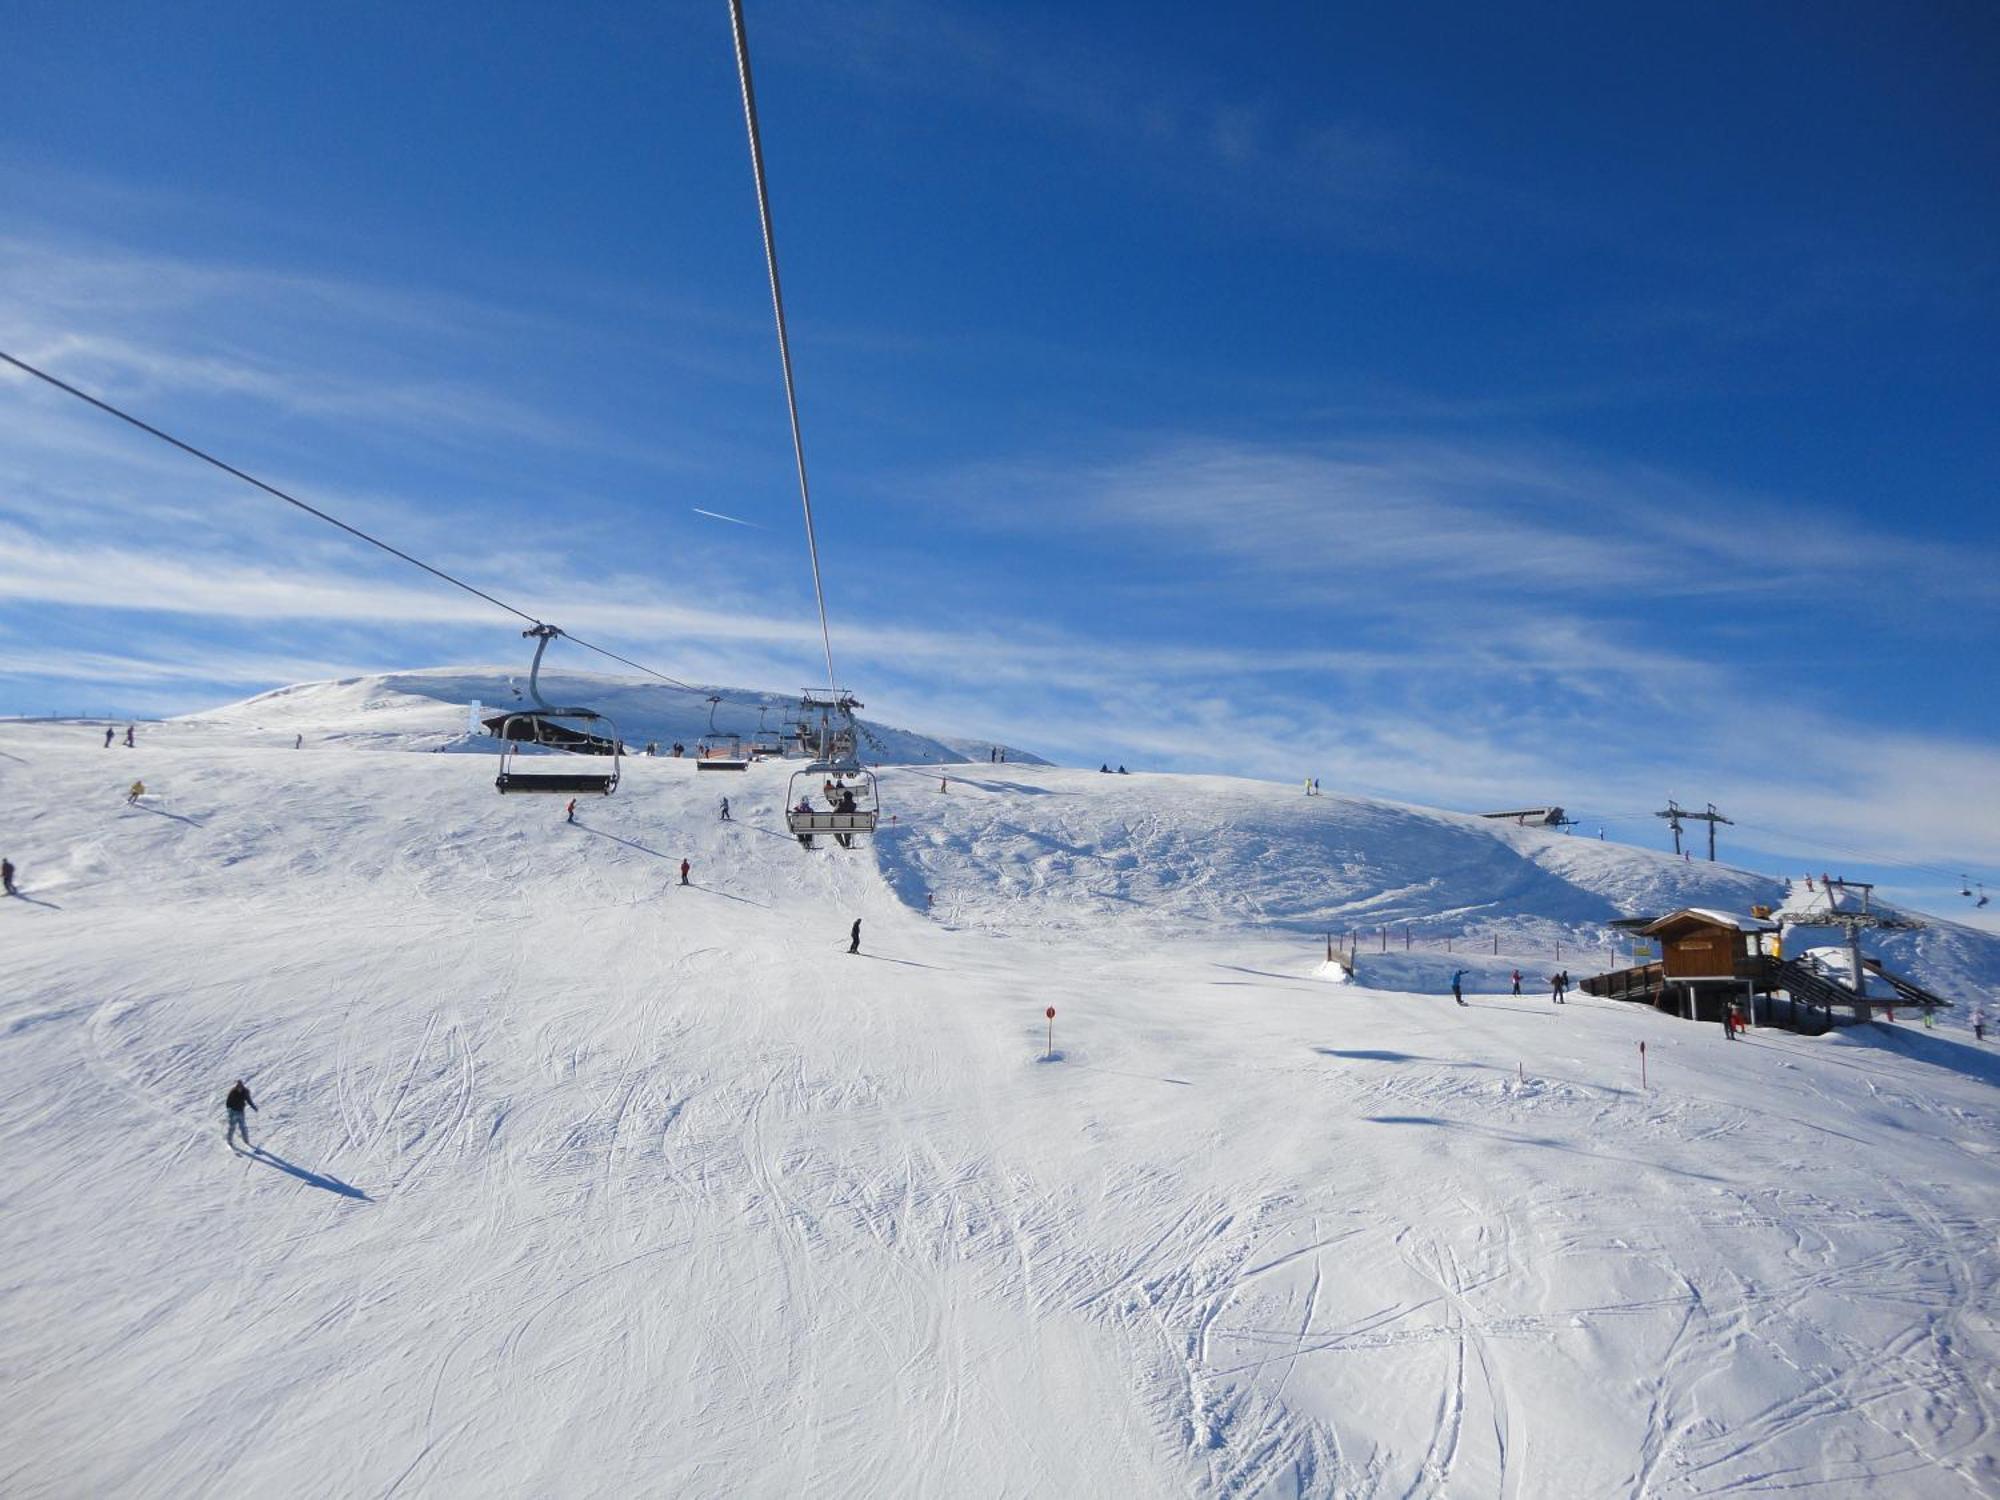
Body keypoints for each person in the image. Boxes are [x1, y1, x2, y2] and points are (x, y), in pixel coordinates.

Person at [225, 1079, 257, 1148]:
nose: (239, 1089)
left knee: (243, 1126)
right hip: (233, 1112)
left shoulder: (245, 1092)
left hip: (241, 1112)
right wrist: (229, 1110)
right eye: (238, 1087)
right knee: (232, 1127)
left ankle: (246, 1140)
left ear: (242, 1086)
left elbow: (249, 1100)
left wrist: (254, 1107)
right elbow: (228, 1102)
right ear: (236, 1087)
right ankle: (229, 1140)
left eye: (240, 1087)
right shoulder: (232, 1092)